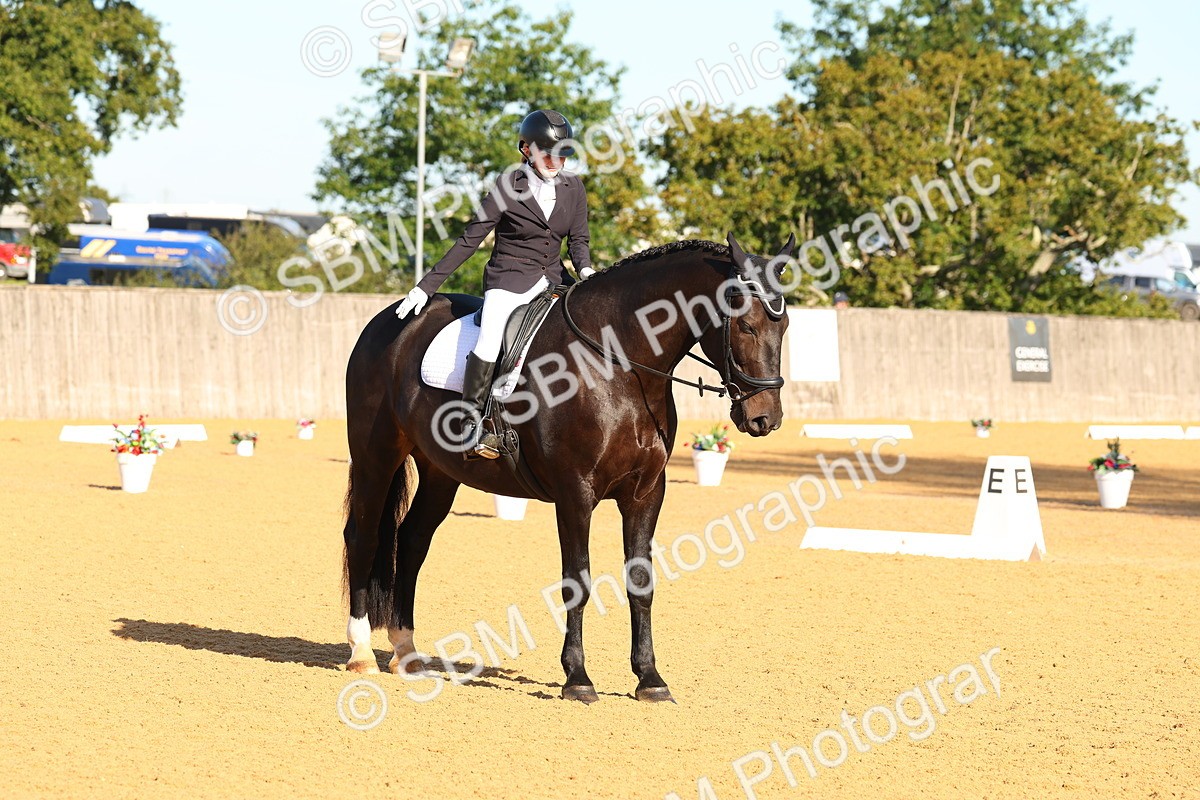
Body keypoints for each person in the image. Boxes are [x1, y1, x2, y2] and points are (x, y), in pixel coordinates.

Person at [394, 109, 595, 459]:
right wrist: (425, 286)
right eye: (548, 154)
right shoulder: (507, 186)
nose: (556, 162)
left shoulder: (573, 187)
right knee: (490, 338)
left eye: (563, 154)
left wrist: (587, 271)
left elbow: (578, 240)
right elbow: (469, 240)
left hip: (554, 278)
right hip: (509, 278)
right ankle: (472, 421)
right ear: (526, 150)